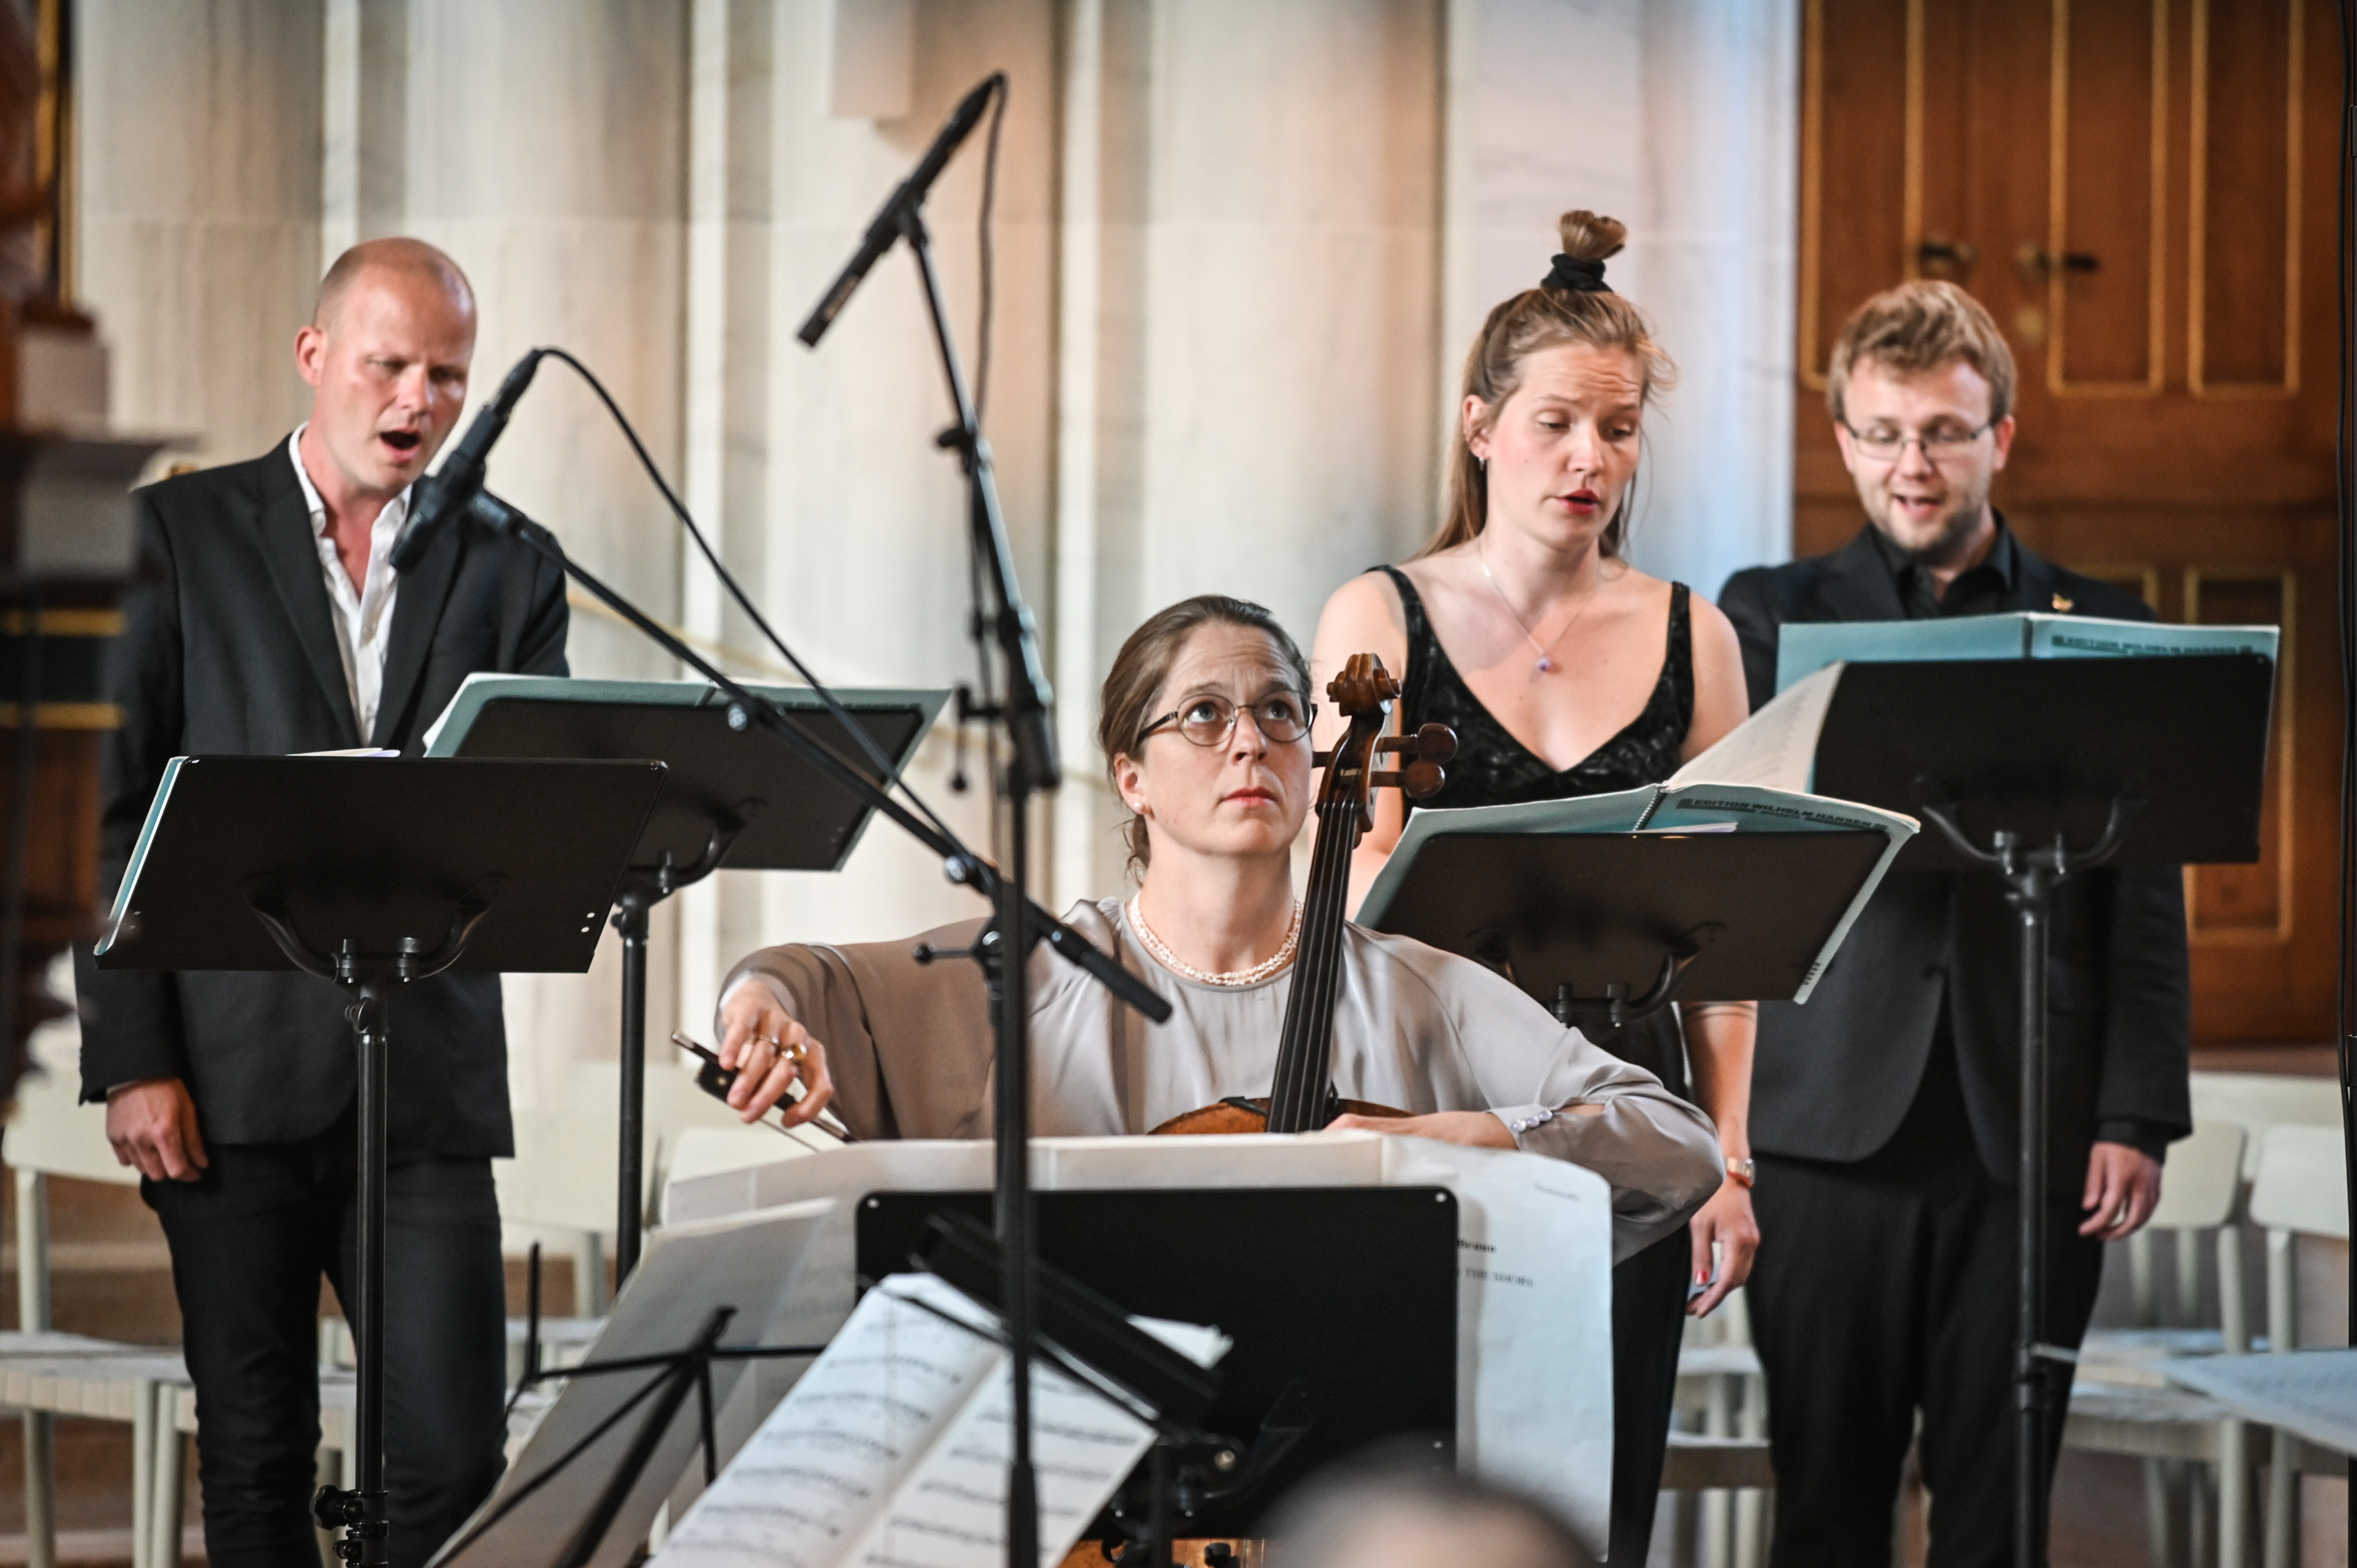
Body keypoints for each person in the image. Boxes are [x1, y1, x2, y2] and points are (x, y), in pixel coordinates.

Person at [712, 593, 1725, 1260]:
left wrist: (1456, 1137)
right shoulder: (1044, 969)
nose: (1250, 741)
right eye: (1203, 713)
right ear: (1133, 778)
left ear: (1315, 761)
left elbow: (1677, 1141)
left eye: (1280, 711)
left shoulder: (1414, 988)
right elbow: (804, 977)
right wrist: (758, 1003)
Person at [74, 239, 570, 1568]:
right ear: (313, 356)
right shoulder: (170, 537)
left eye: (447, 375)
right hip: (222, 1079)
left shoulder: (515, 564)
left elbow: (532, 816)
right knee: (256, 1460)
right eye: (388, 364)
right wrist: (134, 1057)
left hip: (428, 1082)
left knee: (453, 1462)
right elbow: (99, 812)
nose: (417, 400)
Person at [1716, 279, 2189, 1564]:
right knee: (1826, 1507)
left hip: (2032, 1126)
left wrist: (2134, 1112)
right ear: (1842, 440)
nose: (1909, 464)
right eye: (1880, 433)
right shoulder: (1765, 616)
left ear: (2001, 437)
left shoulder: (2108, 627)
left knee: (1998, 1517)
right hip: (1820, 1126)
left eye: (1940, 432)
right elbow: (1735, 866)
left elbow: (2142, 898)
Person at [1308, 209, 1754, 1560]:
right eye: (1555, 422)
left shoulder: (1694, 633)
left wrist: (1726, 1154)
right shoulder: (1378, 614)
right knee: (1425, 1471)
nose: (1587, 457)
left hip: (1623, 1100)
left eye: (1616, 429)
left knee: (1600, 1486)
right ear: (1479, 426)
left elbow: (1725, 930)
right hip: (1433, 1081)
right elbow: (1354, 877)